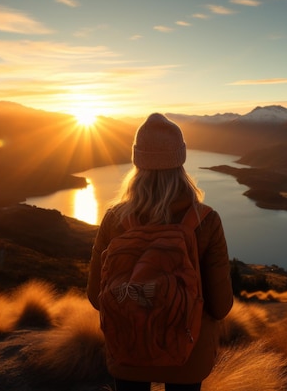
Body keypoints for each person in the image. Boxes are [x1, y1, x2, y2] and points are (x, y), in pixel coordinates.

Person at [87, 113, 234, 391]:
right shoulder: (206, 221)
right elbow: (221, 305)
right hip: (188, 356)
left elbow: (96, 296)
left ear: (137, 162)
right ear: (181, 161)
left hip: (128, 350)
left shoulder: (114, 219)